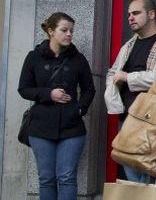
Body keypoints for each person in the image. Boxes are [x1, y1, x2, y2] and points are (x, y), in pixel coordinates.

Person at [18, 12, 95, 200]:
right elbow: (24, 89)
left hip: (71, 127)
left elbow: (89, 90)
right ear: (51, 31)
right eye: (64, 30)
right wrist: (48, 94)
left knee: (67, 177)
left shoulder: (78, 59)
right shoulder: (34, 57)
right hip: (40, 127)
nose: (69, 34)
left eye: (71, 31)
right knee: (46, 179)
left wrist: (79, 109)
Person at [105, 0, 156, 182]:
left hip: (152, 120)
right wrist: (113, 93)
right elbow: (112, 73)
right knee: (132, 180)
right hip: (128, 119)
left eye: (136, 13)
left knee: (149, 176)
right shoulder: (128, 46)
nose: (130, 18)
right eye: (129, 14)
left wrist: (128, 77)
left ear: (151, 14)